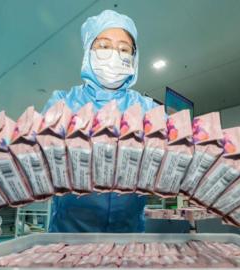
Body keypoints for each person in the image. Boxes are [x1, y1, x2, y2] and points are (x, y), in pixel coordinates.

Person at [42, 10, 157, 232]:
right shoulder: (62, 103)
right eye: (104, 46)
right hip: (68, 237)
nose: (115, 54)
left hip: (129, 237)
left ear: (134, 58)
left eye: (124, 49)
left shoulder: (148, 110)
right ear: (88, 51)